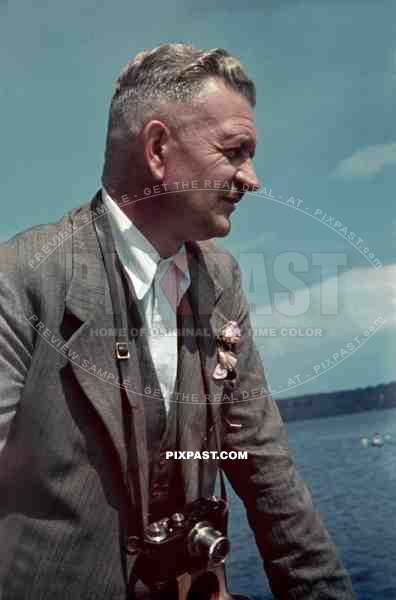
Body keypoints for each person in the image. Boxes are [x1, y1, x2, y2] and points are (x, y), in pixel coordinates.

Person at [0, 43, 355, 599]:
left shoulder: (223, 280)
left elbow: (265, 469)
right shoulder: (18, 278)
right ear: (159, 149)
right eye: (235, 152)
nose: (253, 179)